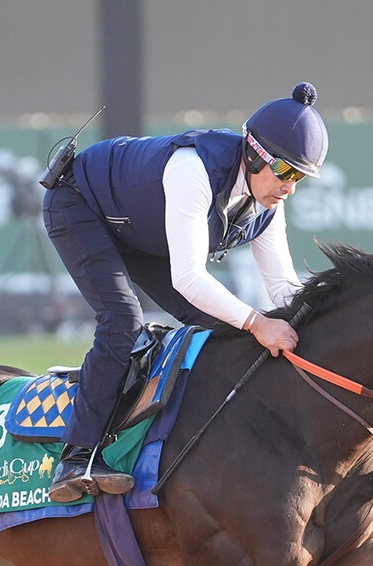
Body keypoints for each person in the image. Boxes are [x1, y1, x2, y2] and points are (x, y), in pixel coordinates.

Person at [41, 82, 328, 503]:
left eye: (300, 177)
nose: (290, 188)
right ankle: (77, 455)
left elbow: (284, 288)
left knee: (220, 324)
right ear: (253, 154)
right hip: (79, 203)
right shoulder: (193, 169)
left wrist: (319, 326)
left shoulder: (268, 207)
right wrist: (257, 322)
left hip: (138, 228)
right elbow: (189, 280)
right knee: (123, 319)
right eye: (285, 172)